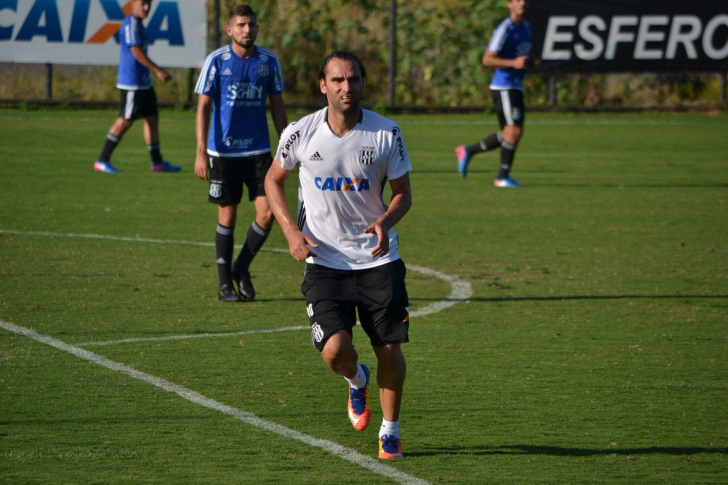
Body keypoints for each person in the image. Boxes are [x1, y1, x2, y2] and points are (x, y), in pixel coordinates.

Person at [265, 51, 413, 460]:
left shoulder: (386, 133)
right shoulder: (300, 132)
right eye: (338, 80)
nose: (347, 87)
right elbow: (273, 180)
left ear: (363, 83)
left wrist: (385, 220)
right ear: (323, 85)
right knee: (334, 352)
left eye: (354, 79)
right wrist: (292, 233)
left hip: (378, 261)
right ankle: (356, 380)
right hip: (324, 262)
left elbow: (403, 194)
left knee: (389, 349)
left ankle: (390, 431)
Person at [194, 5, 288, 302]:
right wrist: (200, 152)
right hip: (222, 153)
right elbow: (203, 107)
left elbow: (277, 105)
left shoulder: (268, 61)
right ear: (230, 30)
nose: (248, 29)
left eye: (252, 24)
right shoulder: (217, 61)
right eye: (242, 25)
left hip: (259, 151)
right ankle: (224, 284)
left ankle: (240, 267)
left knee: (268, 212)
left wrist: (288, 145)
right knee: (228, 214)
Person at [455, 0, 537, 187]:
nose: (522, 3)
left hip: (516, 86)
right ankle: (502, 178)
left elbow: (519, 56)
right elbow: (487, 59)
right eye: (517, 0)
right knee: (513, 131)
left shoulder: (527, 27)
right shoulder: (504, 29)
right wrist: (513, 63)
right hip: (504, 86)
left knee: (512, 132)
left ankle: (468, 151)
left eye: (524, 0)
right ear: (509, 4)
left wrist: (530, 62)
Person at [94, 0, 180, 174]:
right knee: (125, 120)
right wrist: (157, 70)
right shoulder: (131, 24)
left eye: (149, 3)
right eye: (143, 3)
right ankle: (102, 160)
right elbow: (135, 50)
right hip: (131, 83)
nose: (147, 7)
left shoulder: (139, 24)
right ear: (132, 3)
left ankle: (157, 162)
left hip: (143, 82)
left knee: (152, 119)